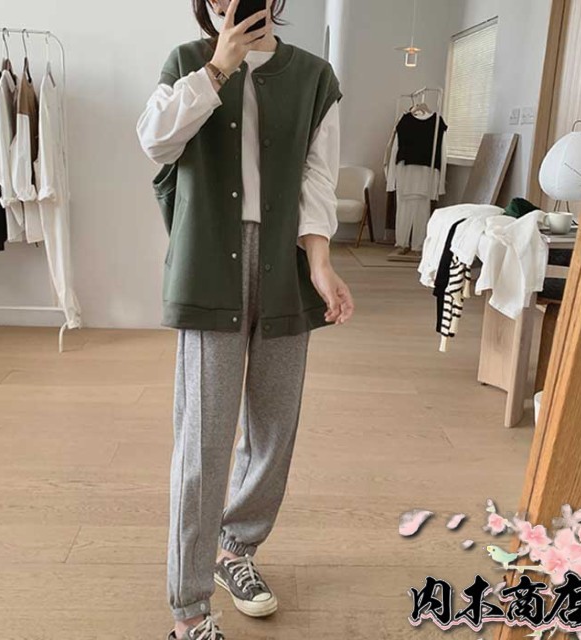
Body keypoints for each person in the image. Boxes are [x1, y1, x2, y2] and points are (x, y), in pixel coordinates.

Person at [136, 1, 354, 637]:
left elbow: (318, 176)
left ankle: (236, 550)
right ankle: (189, 609)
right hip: (211, 261)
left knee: (274, 427)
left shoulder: (314, 77)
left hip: (286, 263)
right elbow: (155, 140)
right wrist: (216, 69)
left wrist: (321, 263)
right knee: (204, 437)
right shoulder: (187, 62)